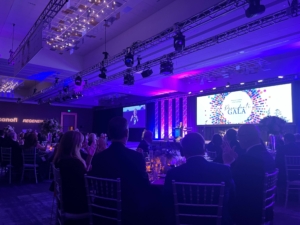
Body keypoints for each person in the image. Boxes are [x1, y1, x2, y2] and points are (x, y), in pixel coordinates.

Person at [164, 133, 235, 225]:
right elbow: (232, 199)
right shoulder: (224, 170)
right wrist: (228, 164)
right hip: (216, 222)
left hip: (184, 221)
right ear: (204, 149)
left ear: (182, 151)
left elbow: (166, 203)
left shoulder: (173, 173)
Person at [90, 117, 150, 225]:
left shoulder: (98, 158)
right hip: (128, 215)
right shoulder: (136, 157)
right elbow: (145, 186)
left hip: (102, 212)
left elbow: (92, 184)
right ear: (127, 133)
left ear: (109, 133)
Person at [223, 124, 275, 225]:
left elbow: (233, 182)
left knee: (220, 203)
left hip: (248, 210)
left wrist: (227, 164)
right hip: (264, 207)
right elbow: (248, 177)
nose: (238, 139)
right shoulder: (266, 154)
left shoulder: (247, 158)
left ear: (246, 137)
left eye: (239, 136)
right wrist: (235, 160)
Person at [53, 131, 88, 217]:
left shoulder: (59, 160)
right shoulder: (75, 163)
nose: (81, 145)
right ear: (75, 145)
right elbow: (86, 184)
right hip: (76, 205)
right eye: (80, 143)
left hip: (65, 201)